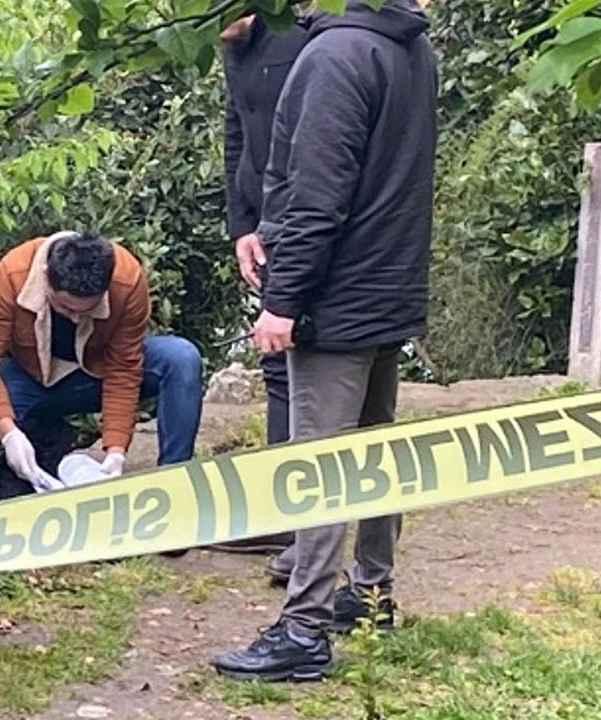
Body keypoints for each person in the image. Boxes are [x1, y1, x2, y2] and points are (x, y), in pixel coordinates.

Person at [213, 0, 438, 681]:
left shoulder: (335, 57)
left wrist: (283, 301)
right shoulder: (409, 47)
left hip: (337, 298)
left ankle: (303, 627)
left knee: (319, 463)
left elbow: (316, 195)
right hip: (390, 284)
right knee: (376, 448)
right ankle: (371, 592)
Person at [0, 231, 203, 487]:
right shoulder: (13, 274)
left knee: (181, 358)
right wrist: (8, 432)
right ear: (46, 277)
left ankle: (175, 475)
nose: (75, 317)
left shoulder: (127, 280)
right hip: (32, 380)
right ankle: (48, 448)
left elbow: (123, 369)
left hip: (95, 375)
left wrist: (116, 450)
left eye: (88, 309)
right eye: (66, 308)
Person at [214, 6, 308, 561]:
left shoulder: (298, 40)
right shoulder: (234, 48)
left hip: (304, 217)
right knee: (276, 365)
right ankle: (281, 508)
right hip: (263, 222)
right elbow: (236, 134)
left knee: (301, 361)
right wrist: (242, 226)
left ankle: (297, 515)